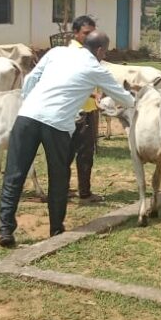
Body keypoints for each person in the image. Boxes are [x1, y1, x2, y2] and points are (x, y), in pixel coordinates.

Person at [0, 31, 134, 247]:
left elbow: (32, 78)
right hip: (57, 124)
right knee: (58, 177)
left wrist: (29, 102)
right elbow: (123, 97)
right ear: (99, 50)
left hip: (27, 117)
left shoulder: (57, 52)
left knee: (15, 173)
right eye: (105, 52)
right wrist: (138, 99)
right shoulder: (96, 68)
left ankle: (5, 230)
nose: (104, 55)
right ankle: (56, 229)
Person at [66, 16, 104, 204]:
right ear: (75, 33)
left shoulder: (83, 52)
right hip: (78, 112)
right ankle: (84, 193)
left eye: (92, 34)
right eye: (86, 33)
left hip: (85, 108)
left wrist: (94, 95)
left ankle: (66, 190)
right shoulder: (78, 53)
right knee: (82, 153)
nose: (90, 37)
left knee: (73, 153)